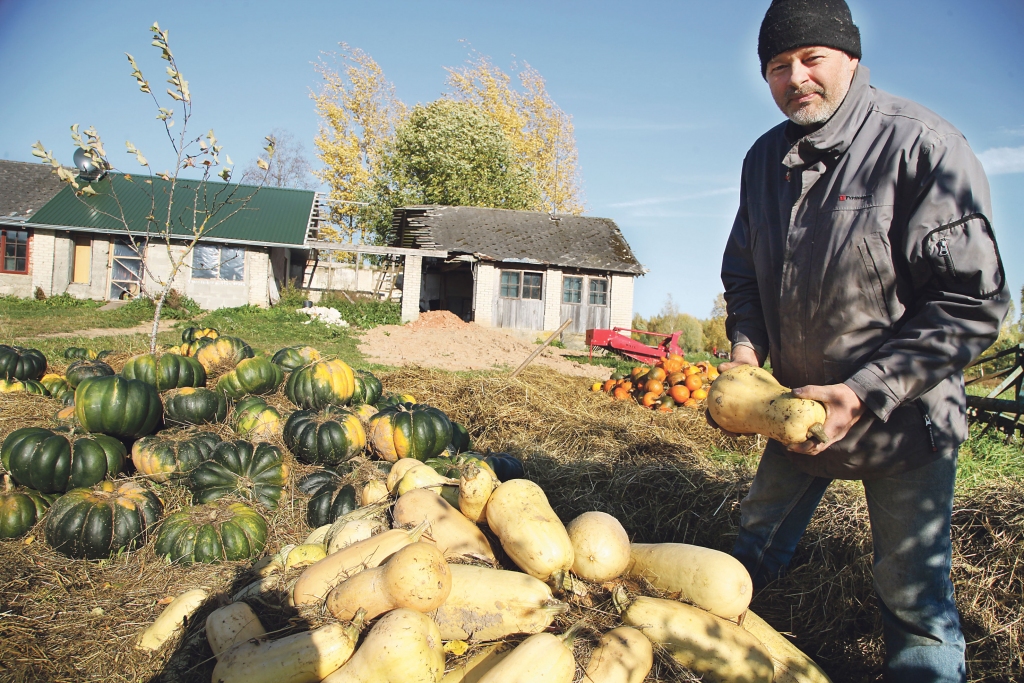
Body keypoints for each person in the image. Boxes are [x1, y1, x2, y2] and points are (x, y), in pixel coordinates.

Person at [710, 1, 1011, 681]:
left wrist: (861, 392)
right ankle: (701, 651)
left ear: (850, 57)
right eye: (778, 66)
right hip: (793, 412)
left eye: (812, 58)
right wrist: (746, 363)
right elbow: (743, 274)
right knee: (750, 548)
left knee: (913, 597)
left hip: (903, 417)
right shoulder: (763, 160)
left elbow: (974, 300)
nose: (796, 78)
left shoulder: (922, 145)